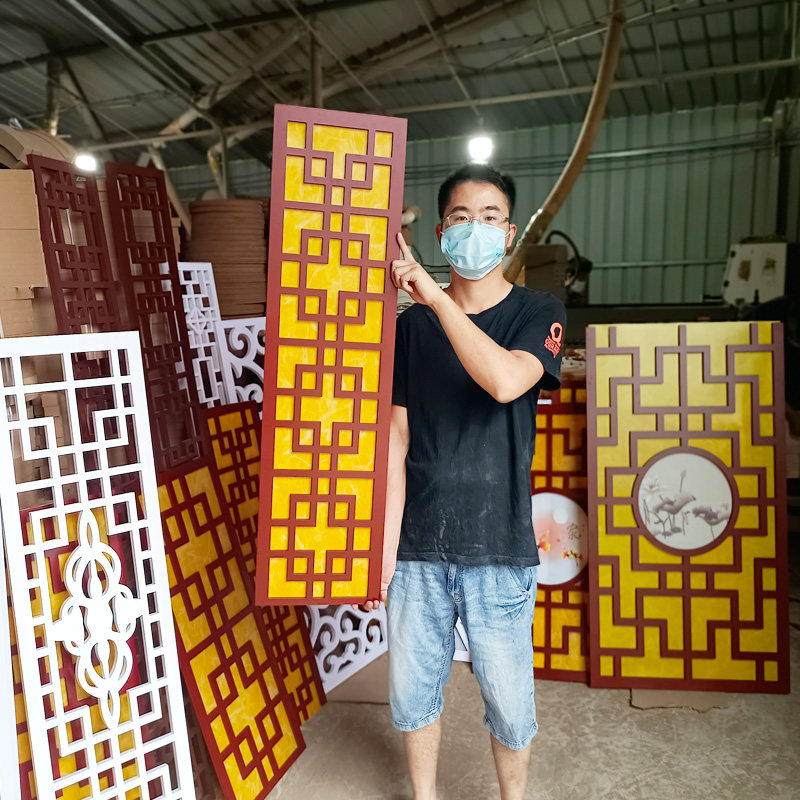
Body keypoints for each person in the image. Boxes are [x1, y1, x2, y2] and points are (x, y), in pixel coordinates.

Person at [362, 163, 565, 800]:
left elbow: (505, 382)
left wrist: (431, 294)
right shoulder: (409, 329)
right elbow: (396, 441)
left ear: (508, 235)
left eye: (488, 218)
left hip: (497, 547)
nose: (472, 229)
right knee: (413, 694)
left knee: (509, 702)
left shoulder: (538, 312)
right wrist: (384, 549)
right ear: (442, 229)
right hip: (419, 546)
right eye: (458, 218)